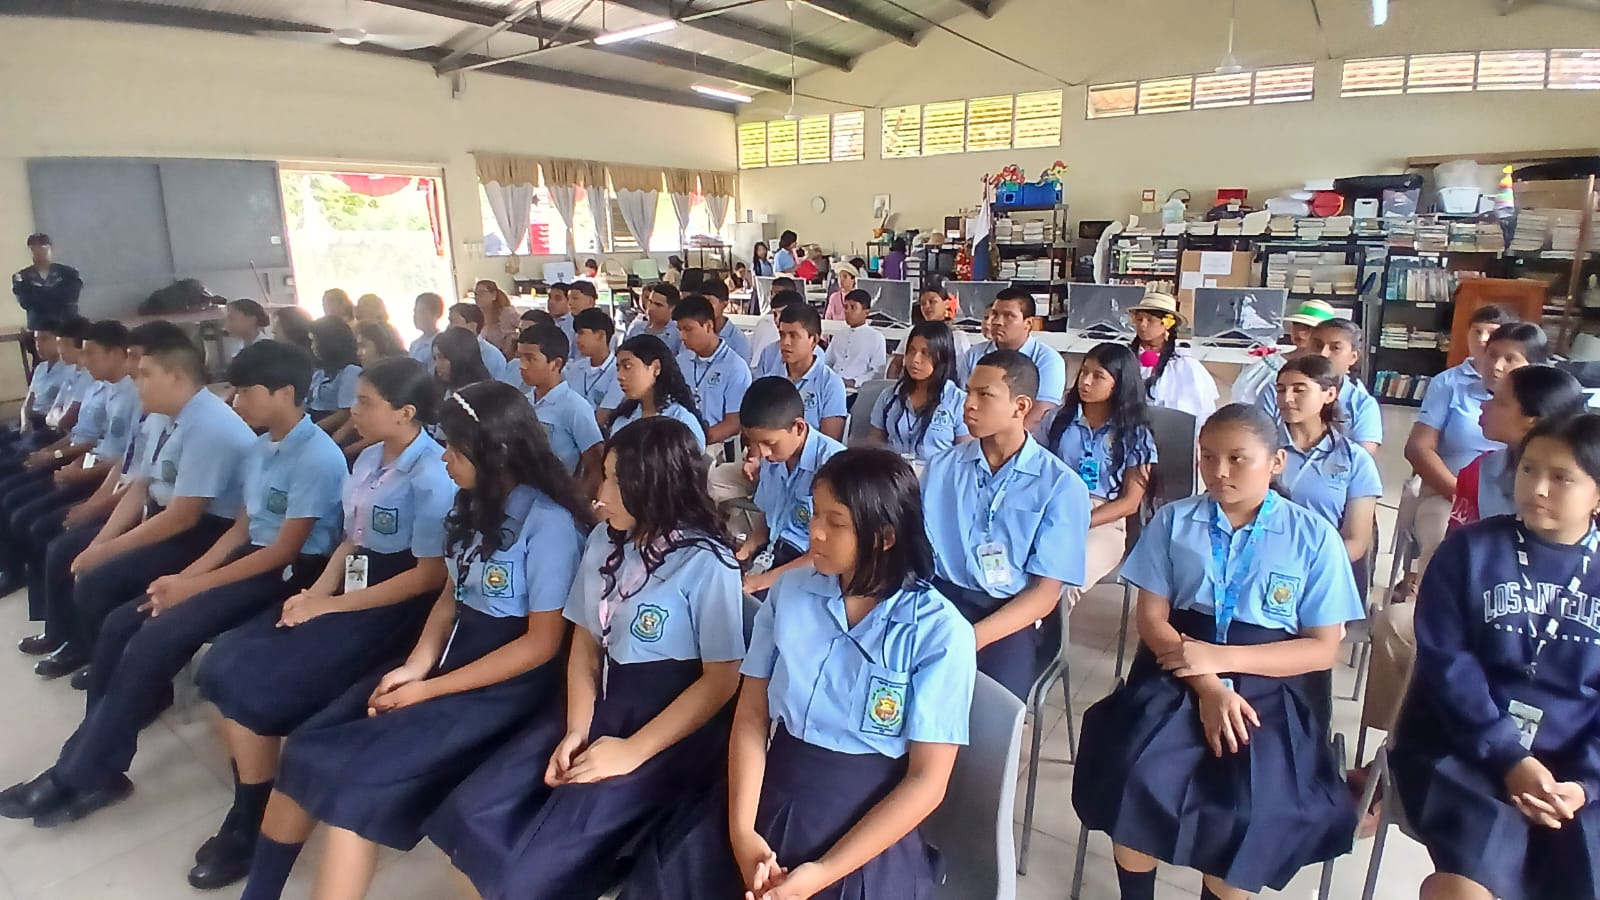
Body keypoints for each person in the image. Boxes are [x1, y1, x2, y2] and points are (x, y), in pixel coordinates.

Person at [235, 381, 587, 900]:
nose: (445, 459)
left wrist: (428, 690)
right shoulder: (473, 503)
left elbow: (540, 646)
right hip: (446, 661)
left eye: (456, 450)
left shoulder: (548, 524)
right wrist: (415, 668)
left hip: (501, 686)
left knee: (353, 789)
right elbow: (449, 596)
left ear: (497, 452)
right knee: (307, 750)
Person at [0, 340, 347, 828]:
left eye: (246, 392)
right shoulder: (262, 446)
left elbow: (282, 553)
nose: (237, 401)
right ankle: (93, 760)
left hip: (291, 575)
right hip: (249, 558)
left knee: (156, 636)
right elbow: (241, 530)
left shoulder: (317, 457)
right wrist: (185, 578)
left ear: (284, 392)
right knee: (121, 624)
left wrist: (192, 588)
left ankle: (81, 772)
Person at [626, 448, 976, 900]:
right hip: (771, 784)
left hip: (863, 819)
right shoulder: (790, 592)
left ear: (884, 537)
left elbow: (926, 782)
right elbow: (751, 718)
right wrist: (741, 832)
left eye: (836, 522)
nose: (815, 532)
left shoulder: (939, 633)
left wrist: (823, 872)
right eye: (815, 514)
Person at [426, 416, 744, 899]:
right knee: (471, 812)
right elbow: (585, 644)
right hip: (595, 704)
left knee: (537, 856)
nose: (600, 492)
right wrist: (577, 728)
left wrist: (631, 751)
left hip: (662, 728)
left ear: (654, 486)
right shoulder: (604, 540)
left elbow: (720, 682)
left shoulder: (706, 564)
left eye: (615, 481)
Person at [1072, 402, 1365, 900]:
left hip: (1272, 683)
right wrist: (1208, 685)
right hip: (1177, 665)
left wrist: (1224, 661)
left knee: (1247, 809)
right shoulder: (1173, 521)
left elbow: (1321, 650)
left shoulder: (1313, 537)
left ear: (1276, 462)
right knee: (1134, 775)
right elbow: (1152, 621)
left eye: (1237, 458)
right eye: (1207, 457)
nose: (1219, 471)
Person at [185, 357, 454, 889]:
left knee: (258, 685)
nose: (353, 412)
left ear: (405, 412)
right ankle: (251, 802)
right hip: (351, 585)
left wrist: (329, 608)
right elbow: (352, 539)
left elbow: (427, 578)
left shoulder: (432, 474)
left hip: (394, 605)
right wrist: (316, 593)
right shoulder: (369, 457)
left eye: (366, 403)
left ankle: (253, 818)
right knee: (225, 662)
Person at [1390, 412, 1600, 900]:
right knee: (1465, 882)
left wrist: (1585, 784)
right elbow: (1447, 668)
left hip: (1578, 766)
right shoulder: (1468, 550)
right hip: (1463, 748)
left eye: (1561, 477)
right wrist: (1509, 757)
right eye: (1528, 469)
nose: (1537, 488)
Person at [1362, 364, 1590, 741]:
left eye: (1498, 401)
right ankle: (1391, 748)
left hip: (1562, 717)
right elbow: (1453, 563)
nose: (1538, 489)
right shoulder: (1478, 488)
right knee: (1409, 631)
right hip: (1477, 627)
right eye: (1528, 471)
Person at [922, 349, 1090, 699]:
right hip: (938, 600)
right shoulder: (941, 468)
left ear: (1021, 406)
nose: (968, 405)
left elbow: (1043, 594)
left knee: (991, 708)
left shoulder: (1060, 486)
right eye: (968, 392)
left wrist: (970, 638)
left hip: (1007, 612)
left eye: (984, 395)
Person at [0, 321, 139, 597]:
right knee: (17, 502)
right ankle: (23, 578)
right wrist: (61, 458)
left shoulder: (135, 395)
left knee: (40, 526)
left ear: (115, 354)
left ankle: (40, 593)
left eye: (91, 353)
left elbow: (127, 463)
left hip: (104, 478)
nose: (84, 361)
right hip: (92, 466)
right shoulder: (107, 387)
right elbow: (90, 438)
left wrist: (74, 472)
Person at [1409, 320, 1550, 582]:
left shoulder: (1543, 418)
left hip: (1512, 505)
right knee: (1448, 548)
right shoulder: (1451, 384)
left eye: (1510, 359)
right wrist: (1463, 494)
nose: (1496, 366)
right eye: (1492, 355)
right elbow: (1418, 448)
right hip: (1449, 494)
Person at [1045, 342, 1157, 607]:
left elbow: (1130, 502)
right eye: (1084, 372)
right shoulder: (1058, 420)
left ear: (1119, 384)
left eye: (1098, 376)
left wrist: (1081, 521)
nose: (1085, 381)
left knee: (1066, 582)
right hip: (1054, 510)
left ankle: (1043, 634)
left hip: (1104, 522)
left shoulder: (1135, 434)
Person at [736, 377, 847, 595]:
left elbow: (829, 553)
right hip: (773, 550)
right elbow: (768, 516)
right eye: (754, 442)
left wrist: (760, 582)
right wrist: (744, 551)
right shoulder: (774, 457)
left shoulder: (835, 466)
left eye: (770, 443)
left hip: (813, 566)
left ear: (798, 427)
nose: (763, 453)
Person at [1274, 356, 1382, 562]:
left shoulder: (1355, 459)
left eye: (1299, 390)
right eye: (1280, 390)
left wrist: (1312, 568)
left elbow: (1355, 541)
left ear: (1330, 394)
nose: (1286, 398)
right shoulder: (1261, 448)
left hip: (1323, 563)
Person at [1453, 365, 1587, 528]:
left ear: (1534, 422)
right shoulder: (1478, 471)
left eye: (1500, 402)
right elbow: (1457, 538)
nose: (1483, 405)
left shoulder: (1589, 479)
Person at [957, 288, 1067, 433]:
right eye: (994, 314)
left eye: (1008, 316)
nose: (997, 322)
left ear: (1028, 323)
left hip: (1025, 438)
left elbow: (1040, 413)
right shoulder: (974, 354)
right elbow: (962, 400)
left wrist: (1002, 440)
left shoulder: (1048, 360)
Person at [516, 324, 604, 492]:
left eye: (530, 359)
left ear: (555, 364)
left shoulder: (575, 407)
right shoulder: (522, 402)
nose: (522, 365)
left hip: (556, 496)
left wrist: (578, 502)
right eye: (520, 358)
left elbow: (596, 467)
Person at [868, 321, 969, 463]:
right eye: (911, 351)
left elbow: (965, 457)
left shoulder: (958, 402)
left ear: (942, 357)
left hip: (938, 474)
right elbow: (875, 446)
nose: (915, 360)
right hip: (895, 474)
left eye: (925, 353)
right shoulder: (889, 397)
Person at [1126, 292, 1220, 425]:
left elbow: (1198, 411)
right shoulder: (1125, 357)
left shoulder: (1185, 366)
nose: (1143, 325)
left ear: (1167, 324)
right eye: (1139, 319)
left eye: (1150, 320)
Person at [758, 303, 847, 441]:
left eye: (793, 336)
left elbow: (829, 444)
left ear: (814, 340)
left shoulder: (830, 384)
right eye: (782, 335)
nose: (785, 342)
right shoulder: (769, 381)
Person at [674, 294, 754, 448]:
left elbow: (734, 422)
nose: (682, 337)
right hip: (681, 443)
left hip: (716, 445)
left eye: (688, 329)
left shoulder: (735, 367)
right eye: (679, 330)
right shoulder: (681, 361)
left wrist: (696, 441)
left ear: (708, 326)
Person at [1228, 299, 1336, 406]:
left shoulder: (1330, 371)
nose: (1300, 332)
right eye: (1297, 324)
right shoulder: (1268, 364)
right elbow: (1242, 396)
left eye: (1308, 327)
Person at [609, 334, 707, 450]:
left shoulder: (681, 420)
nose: (620, 376)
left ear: (656, 368)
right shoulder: (623, 420)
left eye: (627, 366)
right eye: (618, 369)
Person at [12, 234, 82, 355]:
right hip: (39, 329)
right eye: (34, 249)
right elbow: (26, 302)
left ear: (51, 249)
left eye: (43, 248)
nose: (38, 253)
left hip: (66, 328)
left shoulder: (68, 273)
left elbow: (71, 296)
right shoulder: (22, 277)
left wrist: (37, 292)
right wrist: (54, 294)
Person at [566, 308, 625, 427]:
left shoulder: (619, 371)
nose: (577, 339)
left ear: (600, 335)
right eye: (576, 334)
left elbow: (602, 417)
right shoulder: (574, 369)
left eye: (581, 333)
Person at [307, 316, 361, 434]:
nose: (312, 347)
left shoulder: (351, 371)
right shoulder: (320, 371)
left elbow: (345, 413)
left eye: (316, 341)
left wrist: (313, 429)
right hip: (313, 420)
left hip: (331, 427)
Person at [825, 289, 888, 390]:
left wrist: (855, 382)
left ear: (866, 312)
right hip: (832, 385)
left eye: (853, 307)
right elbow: (827, 362)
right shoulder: (839, 335)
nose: (847, 311)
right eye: (845, 307)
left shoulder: (876, 338)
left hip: (857, 390)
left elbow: (878, 372)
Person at [750, 288, 813, 375]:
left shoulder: (815, 353)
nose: (777, 320)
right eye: (775, 315)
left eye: (783, 313)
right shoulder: (768, 351)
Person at [450, 302, 513, 372]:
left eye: (453, 322)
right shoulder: (451, 350)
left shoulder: (488, 355)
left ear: (472, 326)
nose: (449, 327)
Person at [700, 279, 753, 364]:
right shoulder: (694, 334)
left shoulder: (738, 342)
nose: (704, 307)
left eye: (709, 302)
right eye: (701, 302)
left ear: (724, 304)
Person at [625, 282, 683, 354]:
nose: (651, 308)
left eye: (658, 305)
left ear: (672, 308)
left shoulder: (679, 333)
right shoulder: (635, 329)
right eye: (650, 302)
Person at [474, 280, 521, 357]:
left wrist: (512, 340)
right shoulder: (475, 315)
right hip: (481, 356)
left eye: (481, 293)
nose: (477, 297)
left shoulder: (507, 312)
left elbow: (524, 326)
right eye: (475, 294)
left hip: (504, 356)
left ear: (494, 295)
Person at [223, 299, 272, 363]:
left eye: (232, 319)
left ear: (252, 320)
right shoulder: (238, 346)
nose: (227, 325)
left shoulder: (266, 349)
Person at [408, 292, 446, 365]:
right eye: (415, 312)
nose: (416, 316)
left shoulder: (442, 344)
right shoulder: (414, 345)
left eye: (422, 312)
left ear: (437, 315)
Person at [546, 283, 575, 353]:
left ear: (569, 301)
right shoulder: (543, 321)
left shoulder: (575, 324)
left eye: (558, 299)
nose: (551, 302)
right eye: (550, 298)